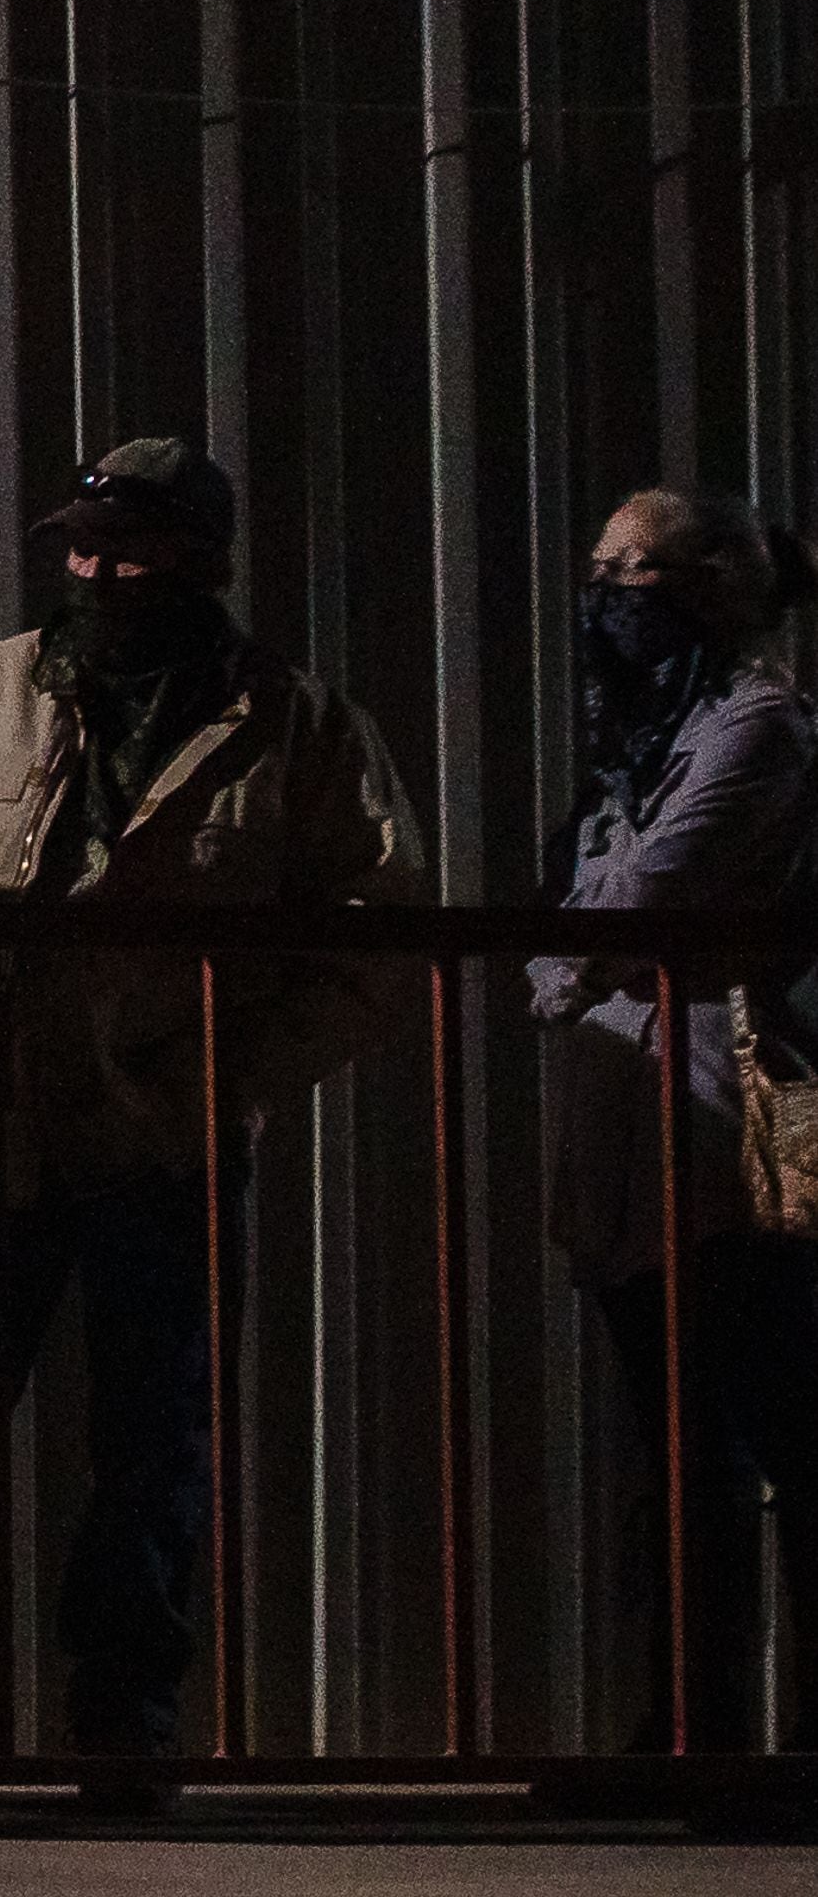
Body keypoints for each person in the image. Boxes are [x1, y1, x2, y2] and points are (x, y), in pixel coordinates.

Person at [0, 439, 419, 1805]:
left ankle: (124, 1721)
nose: (94, 570)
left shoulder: (296, 726)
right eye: (80, 545)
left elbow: (378, 931)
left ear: (201, 561)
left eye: (128, 548)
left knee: (153, 1432)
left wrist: (230, 1078)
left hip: (168, 1139)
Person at [526, 489, 818, 1757]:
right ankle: (688, 1727)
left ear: (718, 587)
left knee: (767, 1431)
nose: (610, 593)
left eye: (640, 569)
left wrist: (581, 955)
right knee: (675, 1441)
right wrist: (577, 958)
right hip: (634, 1127)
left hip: (727, 1125)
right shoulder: (642, 740)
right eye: (600, 565)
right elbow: (573, 929)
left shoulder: (759, 725)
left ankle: (775, 1742)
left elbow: (644, 890)